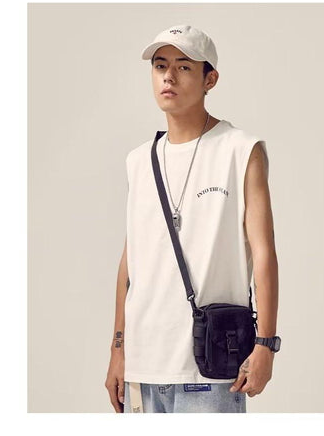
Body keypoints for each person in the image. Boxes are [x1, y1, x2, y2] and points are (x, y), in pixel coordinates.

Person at [105, 24, 280, 413]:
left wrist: (266, 344)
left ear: (209, 79)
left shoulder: (240, 150)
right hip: (143, 366)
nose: (168, 76)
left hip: (209, 367)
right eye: (160, 65)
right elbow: (130, 262)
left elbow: (264, 254)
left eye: (183, 67)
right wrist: (118, 349)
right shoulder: (139, 160)